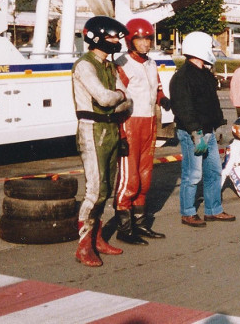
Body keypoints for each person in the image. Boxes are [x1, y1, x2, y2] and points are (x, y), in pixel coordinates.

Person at [71, 16, 134, 267]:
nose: (117, 41)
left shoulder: (109, 65)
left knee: (106, 190)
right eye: (112, 36)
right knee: (95, 191)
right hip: (92, 128)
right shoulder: (85, 65)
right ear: (97, 37)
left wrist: (118, 97)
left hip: (110, 128)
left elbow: (126, 100)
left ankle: (97, 240)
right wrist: (119, 97)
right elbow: (106, 98)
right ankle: (84, 246)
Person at [110, 18, 168, 246]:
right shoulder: (123, 63)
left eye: (148, 39)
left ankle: (140, 224)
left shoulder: (151, 64)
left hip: (149, 123)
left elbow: (157, 87)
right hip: (130, 123)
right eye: (140, 39)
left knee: (145, 178)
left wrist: (163, 99)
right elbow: (116, 98)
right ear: (130, 41)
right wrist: (121, 133)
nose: (146, 44)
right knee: (130, 179)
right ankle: (124, 229)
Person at [170, 31, 233, 228]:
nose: (212, 51)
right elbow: (183, 107)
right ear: (199, 48)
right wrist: (195, 132)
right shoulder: (182, 77)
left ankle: (213, 210)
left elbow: (211, 103)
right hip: (192, 133)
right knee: (193, 174)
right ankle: (188, 212)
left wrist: (217, 124)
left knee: (214, 171)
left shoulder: (205, 74)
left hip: (208, 131)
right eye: (210, 48)